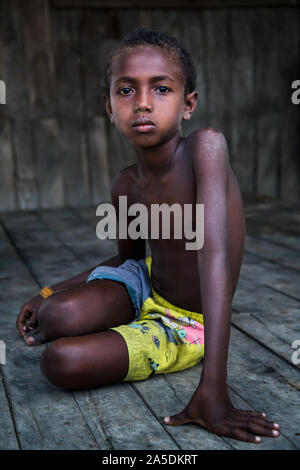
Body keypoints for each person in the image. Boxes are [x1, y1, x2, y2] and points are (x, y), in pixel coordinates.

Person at [16, 27, 280, 444]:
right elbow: (128, 263)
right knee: (55, 317)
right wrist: (46, 294)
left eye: (160, 89)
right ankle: (103, 318)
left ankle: (138, 337)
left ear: (187, 104)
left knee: (60, 362)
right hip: (147, 285)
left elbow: (213, 254)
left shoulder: (205, 149)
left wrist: (214, 389)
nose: (142, 102)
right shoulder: (125, 185)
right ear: (108, 106)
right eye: (125, 91)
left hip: (188, 321)